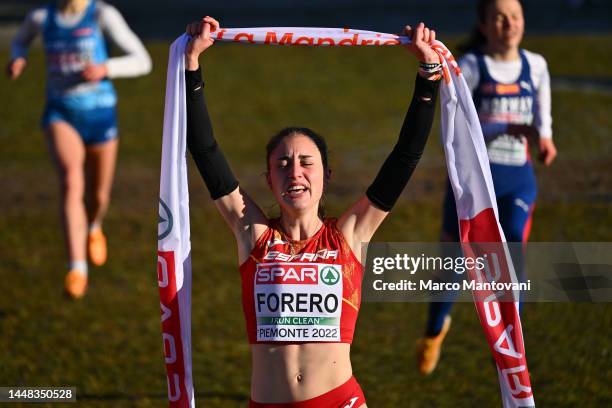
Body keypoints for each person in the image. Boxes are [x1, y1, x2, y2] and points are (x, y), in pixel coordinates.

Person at [185, 16, 441, 408]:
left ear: (326, 176)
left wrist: (428, 74)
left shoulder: (352, 234)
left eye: (307, 162)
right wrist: (192, 65)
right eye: (282, 164)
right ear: (269, 180)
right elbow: (206, 153)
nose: (295, 171)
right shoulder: (252, 234)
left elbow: (404, 158)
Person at [416, 0, 557, 375]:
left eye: (515, 16)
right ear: (483, 25)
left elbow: (543, 116)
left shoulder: (536, 65)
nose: (508, 23)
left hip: (517, 177)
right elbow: (460, 125)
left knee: (512, 250)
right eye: (499, 17)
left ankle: (510, 343)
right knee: (455, 263)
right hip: (474, 179)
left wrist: (545, 139)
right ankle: (433, 331)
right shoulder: (474, 68)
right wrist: (507, 129)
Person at [6, 0, 152, 299]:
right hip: (61, 113)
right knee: (72, 182)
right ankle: (77, 268)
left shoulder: (101, 14)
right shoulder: (41, 17)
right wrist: (17, 58)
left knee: (98, 196)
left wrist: (106, 68)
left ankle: (94, 226)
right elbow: (20, 40)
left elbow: (142, 60)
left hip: (101, 115)